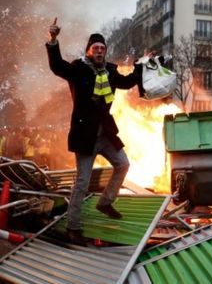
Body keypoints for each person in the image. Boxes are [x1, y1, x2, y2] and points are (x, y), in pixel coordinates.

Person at [45, 18, 140, 245]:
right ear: (89, 51)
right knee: (82, 182)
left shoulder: (110, 70)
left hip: (105, 135)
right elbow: (57, 66)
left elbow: (127, 83)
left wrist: (142, 66)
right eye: (95, 48)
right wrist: (53, 40)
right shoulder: (78, 69)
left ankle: (105, 202)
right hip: (85, 136)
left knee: (123, 164)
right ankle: (73, 227)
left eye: (102, 49)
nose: (99, 51)